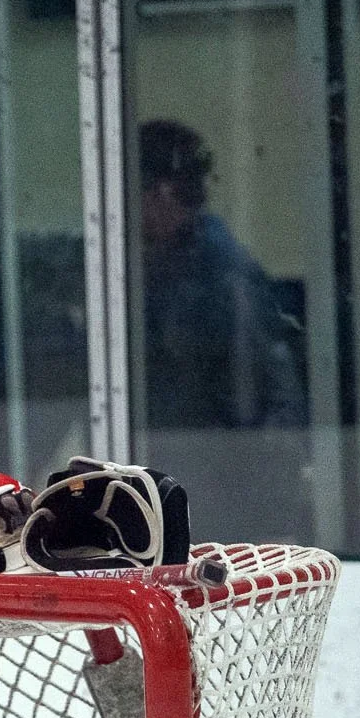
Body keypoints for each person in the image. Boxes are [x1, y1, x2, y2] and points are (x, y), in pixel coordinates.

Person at [137, 119, 309, 541]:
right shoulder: (172, 266)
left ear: (160, 192)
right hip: (208, 493)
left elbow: (261, 396)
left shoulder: (214, 275)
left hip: (225, 503)